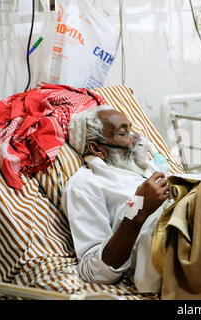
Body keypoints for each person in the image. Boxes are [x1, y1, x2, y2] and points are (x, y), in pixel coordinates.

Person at [61, 105, 169, 292]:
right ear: (97, 149)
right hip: (168, 245)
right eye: (123, 133)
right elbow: (93, 271)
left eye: (131, 129)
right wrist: (139, 208)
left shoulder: (141, 169)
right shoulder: (85, 185)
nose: (136, 138)